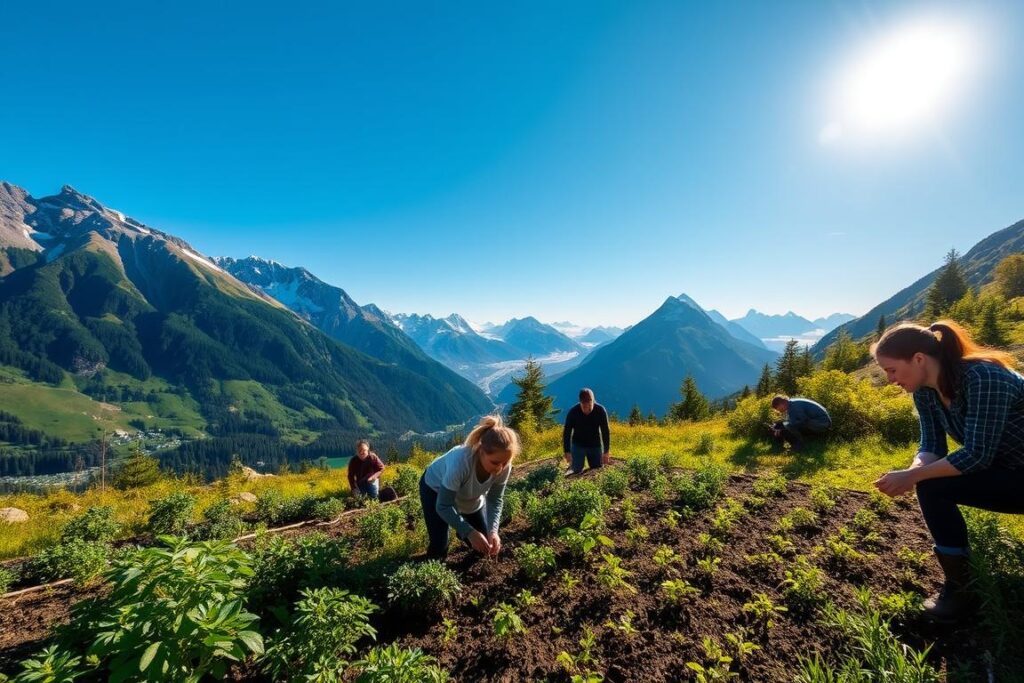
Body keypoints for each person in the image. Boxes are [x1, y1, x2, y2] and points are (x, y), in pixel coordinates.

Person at [872, 320, 1024, 622]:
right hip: (1009, 472)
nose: (890, 379)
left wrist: (912, 477)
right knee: (930, 486)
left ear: (918, 359)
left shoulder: (984, 377)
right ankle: (961, 588)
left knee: (927, 483)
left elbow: (977, 455)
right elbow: (931, 445)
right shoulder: (925, 392)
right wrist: (911, 471)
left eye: (891, 369)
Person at [420, 415, 520, 560]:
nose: (500, 468)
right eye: (495, 462)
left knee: (485, 544)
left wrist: (493, 531)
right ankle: (430, 571)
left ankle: (462, 531)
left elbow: (495, 499)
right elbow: (443, 506)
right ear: (481, 451)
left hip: (467, 494)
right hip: (434, 488)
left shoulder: (503, 465)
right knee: (440, 544)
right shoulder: (461, 462)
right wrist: (469, 532)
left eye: (505, 462)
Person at [562, 388, 611, 474]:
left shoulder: (600, 411)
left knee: (597, 469)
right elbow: (567, 432)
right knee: (575, 470)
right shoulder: (573, 412)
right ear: (580, 402)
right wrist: (567, 451)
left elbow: (605, 431)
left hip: (595, 445)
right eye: (584, 407)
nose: (586, 410)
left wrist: (606, 452)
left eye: (589, 407)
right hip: (578, 445)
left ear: (593, 401)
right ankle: (571, 468)